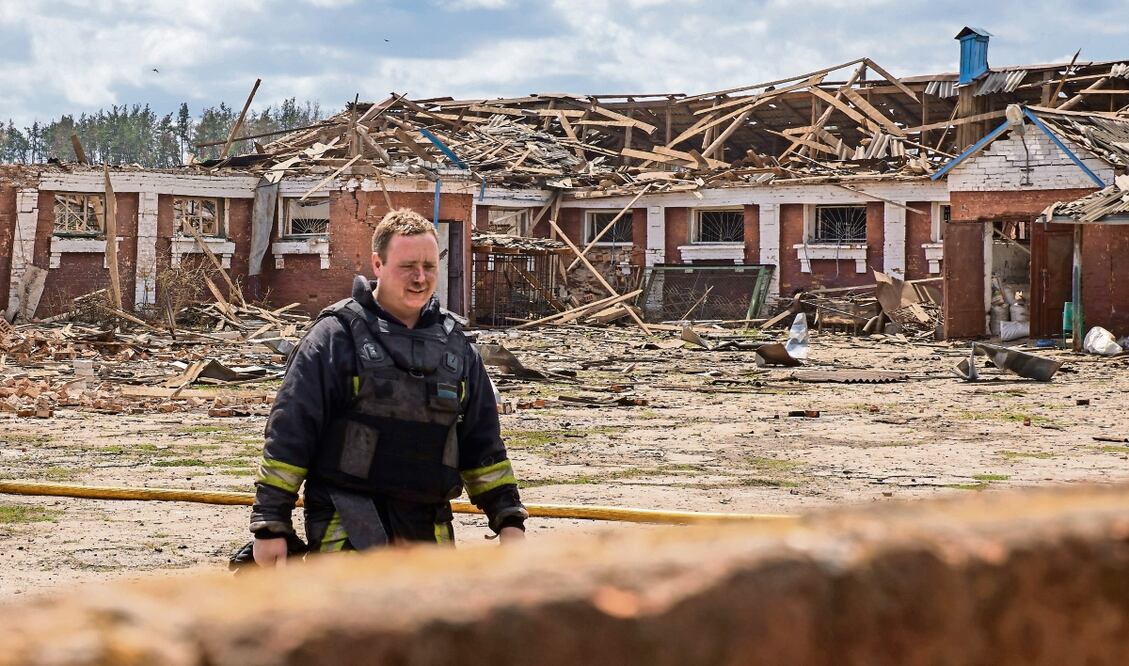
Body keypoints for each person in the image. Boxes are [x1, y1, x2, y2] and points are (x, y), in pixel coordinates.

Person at [250, 209, 527, 565]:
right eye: (407, 266)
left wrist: (509, 520)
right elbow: (291, 433)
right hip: (346, 527)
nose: (419, 277)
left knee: (430, 619)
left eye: (429, 266)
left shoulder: (458, 348)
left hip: (431, 529)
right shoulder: (335, 337)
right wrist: (271, 524)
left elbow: (482, 444)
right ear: (377, 264)